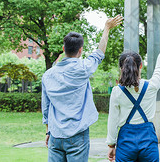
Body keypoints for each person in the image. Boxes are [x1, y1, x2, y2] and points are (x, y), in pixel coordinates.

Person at [42, 15, 123, 162]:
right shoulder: (83, 68)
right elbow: (100, 53)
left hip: (55, 134)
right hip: (77, 134)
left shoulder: (47, 75)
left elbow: (46, 107)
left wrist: (48, 130)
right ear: (80, 50)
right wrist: (106, 28)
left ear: (63, 49)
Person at [106, 31, 160, 162]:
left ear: (121, 68)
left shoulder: (117, 92)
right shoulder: (151, 86)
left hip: (126, 143)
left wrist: (111, 144)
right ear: (140, 65)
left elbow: (112, 120)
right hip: (148, 140)